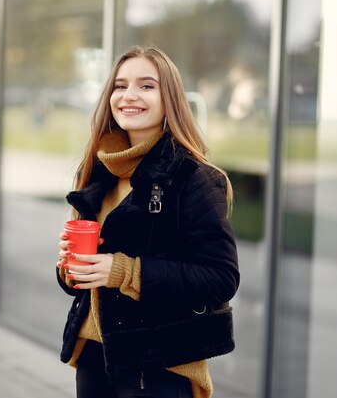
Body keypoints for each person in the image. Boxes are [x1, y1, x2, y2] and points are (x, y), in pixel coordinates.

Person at [56, 45, 239, 398]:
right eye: (120, 85)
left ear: (169, 98)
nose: (129, 96)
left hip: (158, 366)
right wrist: (70, 266)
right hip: (95, 357)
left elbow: (221, 278)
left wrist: (122, 271)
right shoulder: (98, 170)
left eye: (146, 86)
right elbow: (83, 282)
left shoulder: (193, 177)